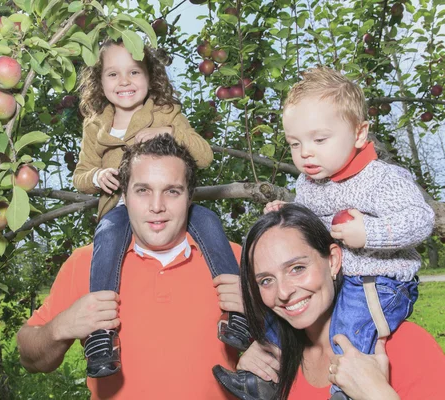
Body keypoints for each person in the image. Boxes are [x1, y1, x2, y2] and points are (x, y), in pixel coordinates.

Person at [214, 67, 435, 399]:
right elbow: (307, 223)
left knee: (348, 336)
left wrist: (369, 232)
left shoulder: (381, 179)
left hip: (380, 282)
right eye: (295, 143)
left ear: (359, 134)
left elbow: (421, 219)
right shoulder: (310, 182)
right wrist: (284, 212)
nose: (305, 153)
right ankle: (261, 380)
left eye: (319, 139)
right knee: (274, 320)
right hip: (347, 275)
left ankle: (344, 391)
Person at [17, 135, 244, 399]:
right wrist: (60, 327)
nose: (157, 206)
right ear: (124, 196)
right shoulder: (86, 263)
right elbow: (30, 359)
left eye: (172, 191)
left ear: (189, 197)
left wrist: (259, 323)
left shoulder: (234, 261)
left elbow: (290, 348)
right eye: (143, 190)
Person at [72, 39, 249, 378]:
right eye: (113, 74)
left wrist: (169, 131)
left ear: (150, 76)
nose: (124, 82)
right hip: (122, 207)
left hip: (167, 203)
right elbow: (80, 175)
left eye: (134, 72)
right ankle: (100, 334)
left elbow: (204, 156)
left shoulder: (166, 111)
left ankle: (238, 311)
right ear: (100, 80)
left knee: (209, 221)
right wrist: (98, 176)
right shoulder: (95, 125)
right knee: (107, 235)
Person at [215, 204, 444, 400]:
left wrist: (377, 393)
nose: (283, 292)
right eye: (266, 280)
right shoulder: (275, 362)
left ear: (333, 261)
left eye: (297, 268)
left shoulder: (407, 346)